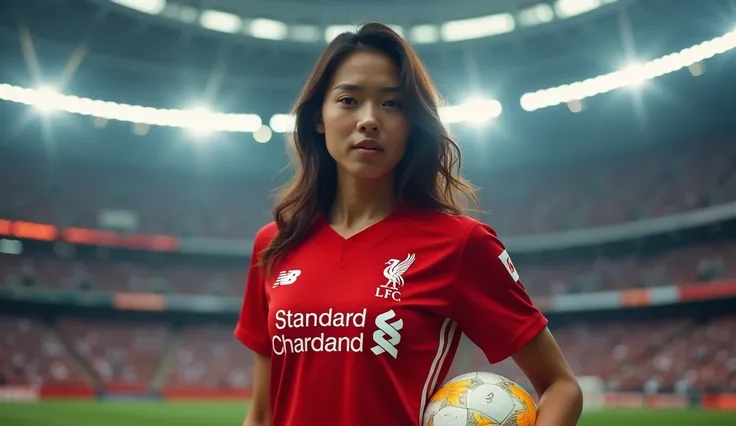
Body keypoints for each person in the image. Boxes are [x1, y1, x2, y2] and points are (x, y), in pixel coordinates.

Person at [235, 22, 583, 426]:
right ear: (318, 117)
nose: (369, 119)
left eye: (392, 104)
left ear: (412, 123)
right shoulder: (275, 243)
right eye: (348, 100)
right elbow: (261, 414)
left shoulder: (460, 243)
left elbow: (561, 386)